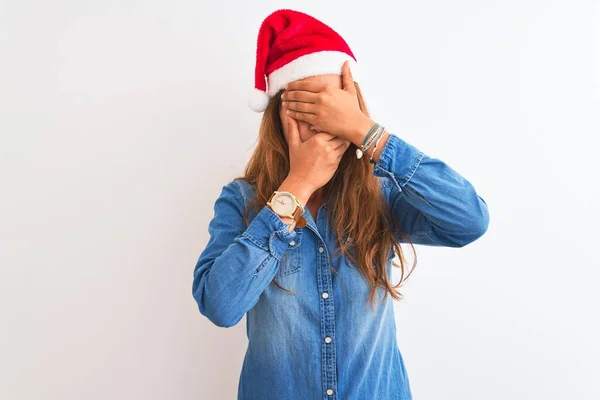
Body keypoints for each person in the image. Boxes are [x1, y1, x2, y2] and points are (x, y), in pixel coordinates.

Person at [192, 8, 489, 400]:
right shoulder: (242, 201)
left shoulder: (379, 194)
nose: (324, 125)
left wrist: (371, 135)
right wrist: (297, 186)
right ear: (278, 115)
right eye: (308, 108)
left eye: (335, 110)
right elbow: (220, 305)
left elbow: (469, 220)